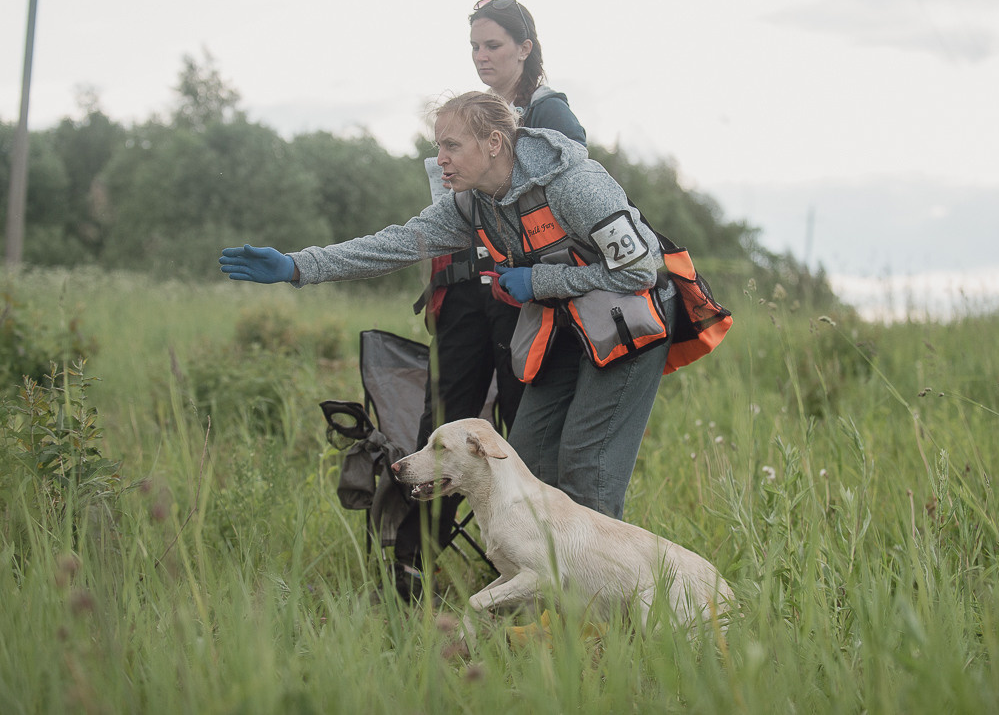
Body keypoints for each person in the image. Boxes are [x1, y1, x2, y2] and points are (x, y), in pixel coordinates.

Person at [219, 91, 673, 524]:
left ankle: (605, 579)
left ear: (493, 143)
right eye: (439, 146)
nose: (440, 159)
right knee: (525, 464)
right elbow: (394, 245)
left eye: (452, 146)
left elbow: (642, 269)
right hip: (566, 329)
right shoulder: (471, 205)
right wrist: (298, 265)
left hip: (629, 328)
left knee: (587, 472)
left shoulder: (574, 184)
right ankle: (546, 578)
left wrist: (539, 281)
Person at [394, 0, 586, 591]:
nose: (481, 57)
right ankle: (411, 571)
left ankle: (525, 569)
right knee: (442, 425)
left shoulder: (550, 114)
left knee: (514, 431)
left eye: (493, 45)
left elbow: (565, 200)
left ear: (525, 48)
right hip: (460, 292)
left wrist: (539, 279)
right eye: (474, 47)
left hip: (517, 295)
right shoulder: (469, 116)